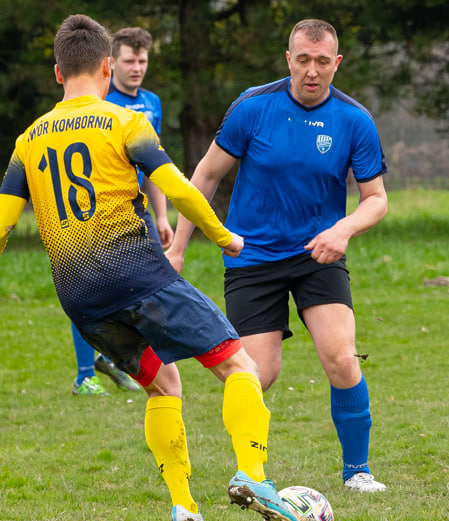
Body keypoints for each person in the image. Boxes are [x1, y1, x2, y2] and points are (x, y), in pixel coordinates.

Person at [0, 14, 306, 521]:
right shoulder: (124, 122)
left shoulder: (28, 140)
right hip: (139, 276)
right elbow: (181, 187)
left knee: (162, 383)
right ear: (106, 66)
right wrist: (223, 236)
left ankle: (183, 506)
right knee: (238, 363)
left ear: (58, 73)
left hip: (80, 297)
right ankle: (253, 475)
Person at [166, 18, 389, 493]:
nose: (312, 71)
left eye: (322, 62)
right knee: (256, 373)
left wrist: (343, 229)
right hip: (252, 257)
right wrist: (178, 248)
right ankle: (249, 474)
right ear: (289, 59)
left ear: (337, 63)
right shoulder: (253, 108)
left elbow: (377, 198)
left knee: (341, 358)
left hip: (318, 255)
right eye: (303, 60)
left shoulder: (354, 121)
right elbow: (203, 177)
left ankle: (358, 471)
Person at [69, 26, 171, 396]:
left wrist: (162, 216)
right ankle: (86, 374)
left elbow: (154, 169)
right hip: (97, 215)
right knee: (88, 290)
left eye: (142, 60)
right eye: (129, 60)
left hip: (137, 214)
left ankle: (123, 361)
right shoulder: (98, 102)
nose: (137, 68)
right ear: (111, 64)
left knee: (141, 288)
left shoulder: (153, 103)